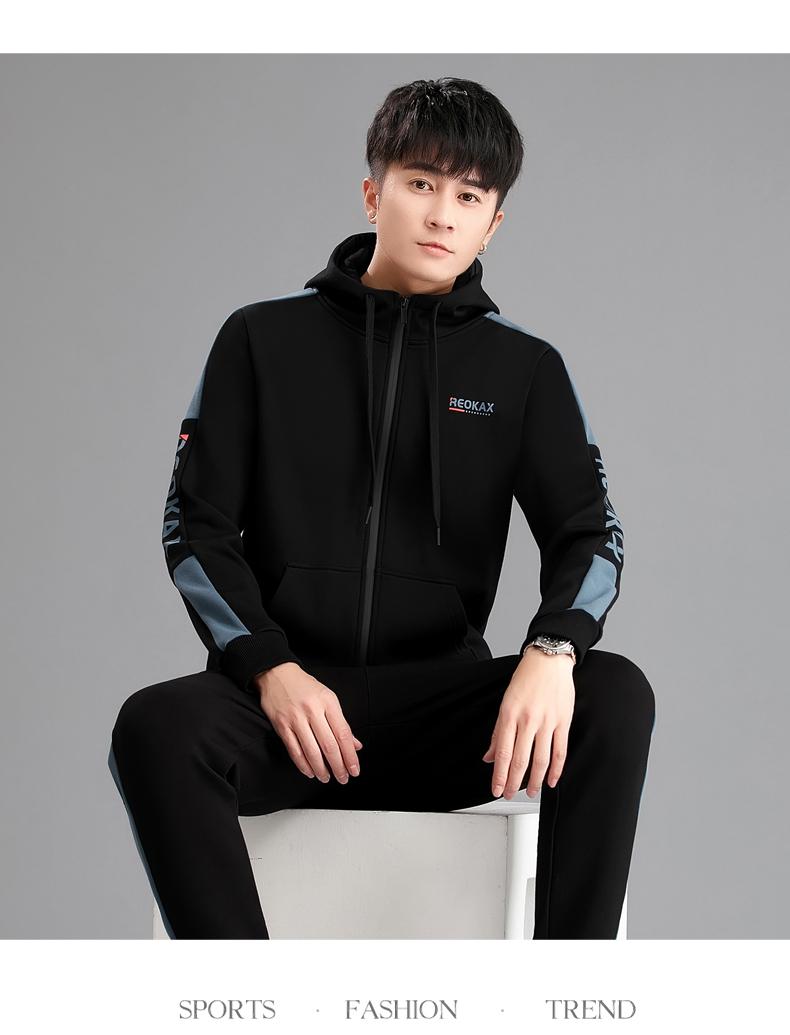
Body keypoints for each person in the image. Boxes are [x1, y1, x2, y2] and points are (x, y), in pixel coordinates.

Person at [108, 76, 655, 940]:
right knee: (154, 726)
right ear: (374, 194)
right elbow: (195, 527)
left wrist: (553, 649)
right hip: (290, 716)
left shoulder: (523, 370)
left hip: (444, 721)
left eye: (469, 195)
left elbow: (593, 533)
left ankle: (562, 995)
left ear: (493, 223)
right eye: (421, 183)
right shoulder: (261, 339)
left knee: (614, 692)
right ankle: (249, 999)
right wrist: (270, 667)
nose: (442, 214)